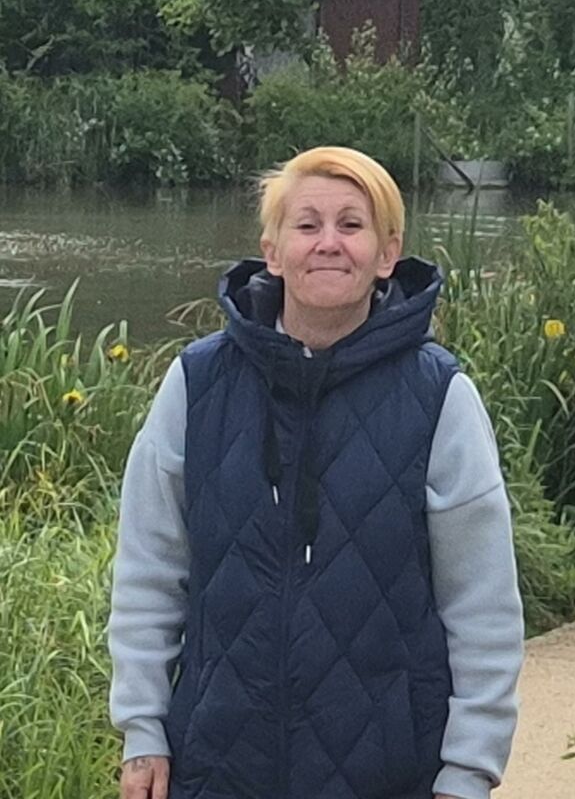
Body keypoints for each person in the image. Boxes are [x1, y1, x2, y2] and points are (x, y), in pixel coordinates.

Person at [108, 146, 524, 799]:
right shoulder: (197, 384)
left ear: (387, 254)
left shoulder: (440, 397)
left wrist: (469, 769)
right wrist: (142, 730)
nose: (328, 243)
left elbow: (483, 607)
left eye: (352, 225)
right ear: (273, 252)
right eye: (307, 225)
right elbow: (148, 572)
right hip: (216, 767)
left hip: (391, 774)